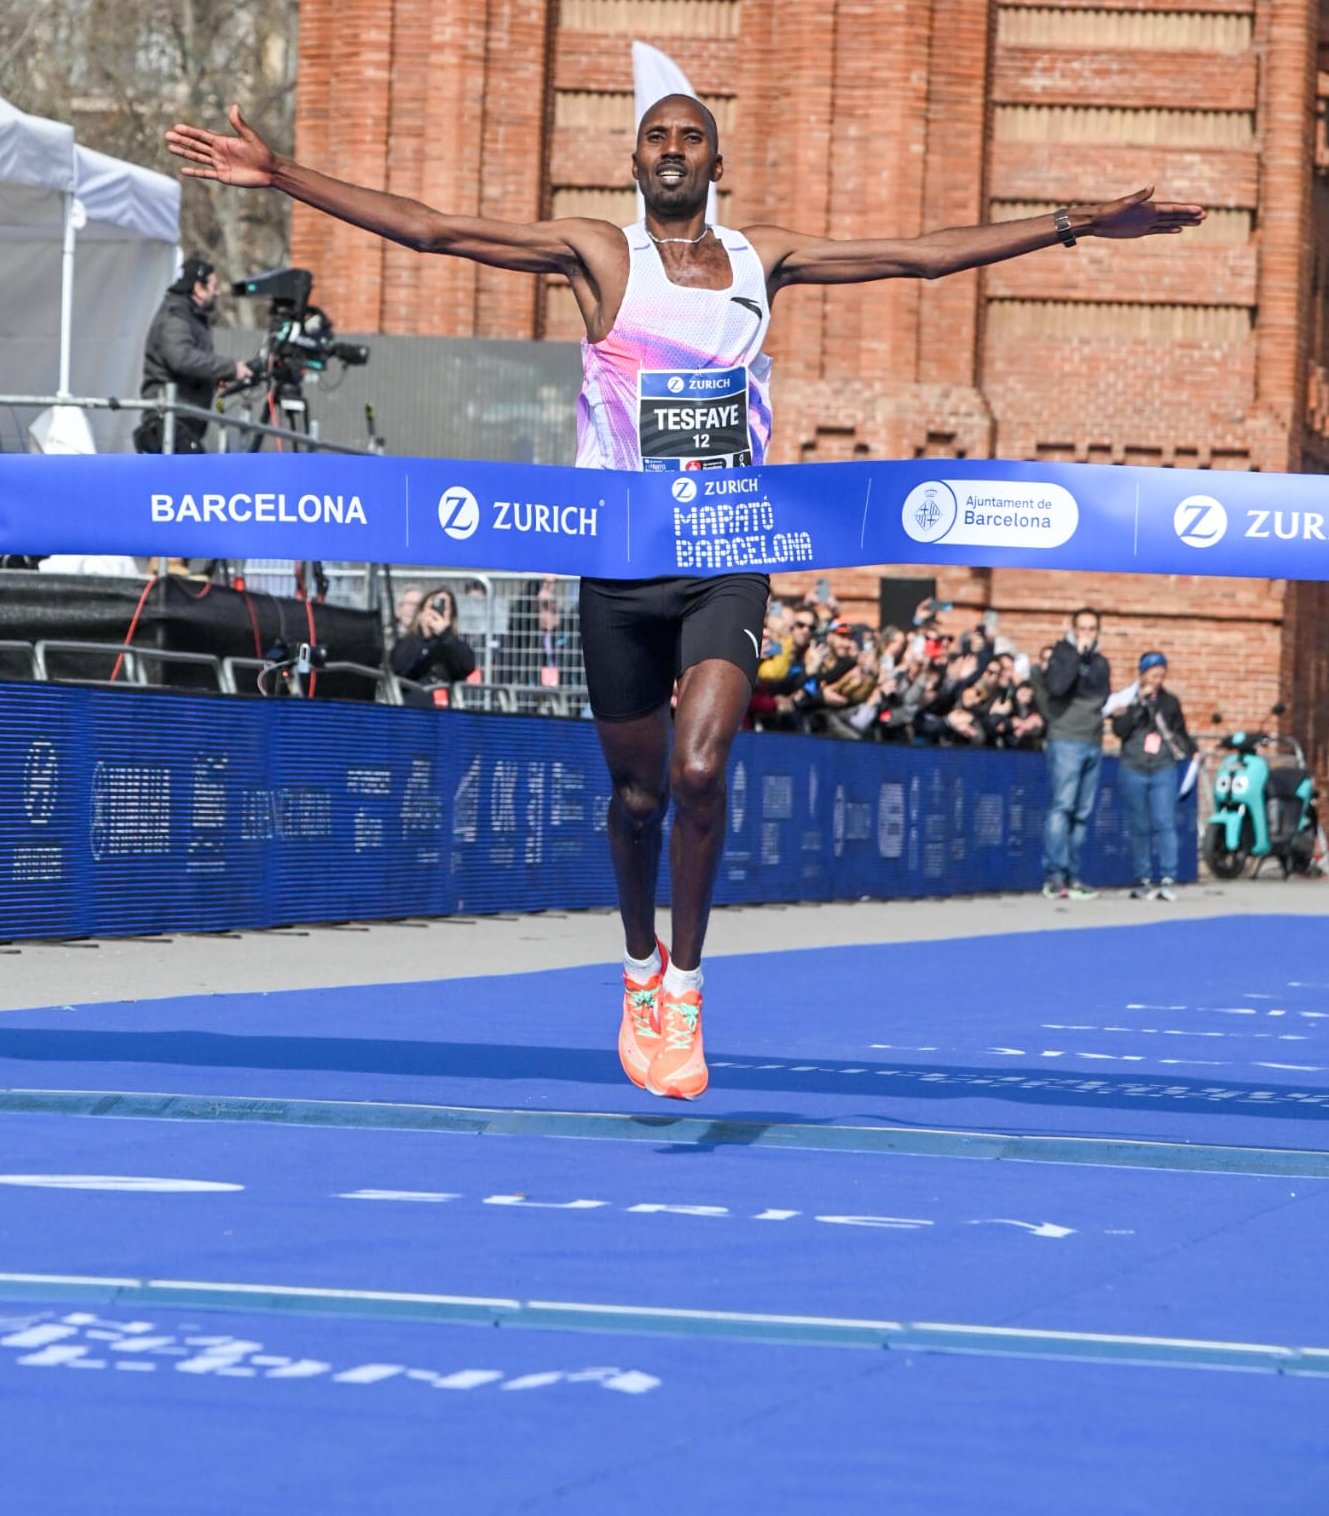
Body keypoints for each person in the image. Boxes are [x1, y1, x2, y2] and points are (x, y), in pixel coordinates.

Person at [167, 94, 1203, 1099]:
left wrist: (1079, 223)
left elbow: (920, 255)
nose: (672, 147)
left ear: (717, 161)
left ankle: (688, 990)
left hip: (727, 551)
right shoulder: (597, 253)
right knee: (637, 797)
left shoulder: (763, 258)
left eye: (691, 136)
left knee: (701, 768)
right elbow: (434, 230)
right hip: (621, 558)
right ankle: (638, 963)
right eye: (655, 135)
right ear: (634, 162)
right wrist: (282, 173)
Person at [135, 255, 253, 452]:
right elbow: (181, 358)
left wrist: (212, 378)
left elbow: (188, 365)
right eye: (214, 287)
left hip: (183, 421)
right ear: (199, 288)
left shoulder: (190, 316)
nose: (217, 293)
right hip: (170, 422)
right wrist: (230, 368)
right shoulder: (176, 316)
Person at [1041, 606, 1112, 899]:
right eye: (1082, 628)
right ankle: (1055, 875)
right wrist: (1076, 658)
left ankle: (1072, 874)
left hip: (1092, 740)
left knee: (1082, 813)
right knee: (1063, 806)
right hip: (1066, 739)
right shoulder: (1061, 654)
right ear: (1073, 630)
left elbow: (1102, 696)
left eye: (1092, 629)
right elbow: (1057, 687)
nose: (1087, 634)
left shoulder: (1100, 662)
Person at [1110, 651, 1193, 900]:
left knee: (1164, 821)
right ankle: (1142, 877)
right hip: (1133, 766)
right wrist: (1138, 703)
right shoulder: (1127, 699)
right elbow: (1119, 730)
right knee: (1138, 824)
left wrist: (1193, 750)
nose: (1157, 680)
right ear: (1142, 674)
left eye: (1161, 675)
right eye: (1153, 675)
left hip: (1162, 766)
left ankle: (1168, 876)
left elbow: (1180, 731)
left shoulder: (1169, 702)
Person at [390, 585, 477, 706]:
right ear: (422, 611)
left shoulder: (452, 644)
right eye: (432, 606)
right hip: (412, 709)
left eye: (443, 608)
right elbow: (399, 668)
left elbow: (468, 666)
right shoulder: (408, 642)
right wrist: (425, 636)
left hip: (443, 711)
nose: (436, 612)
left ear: (451, 615)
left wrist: (445, 634)